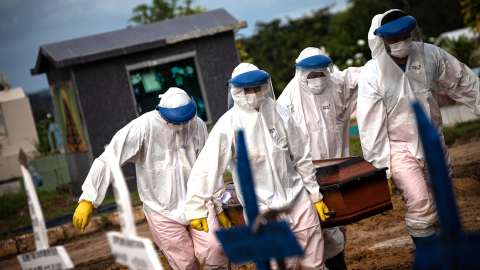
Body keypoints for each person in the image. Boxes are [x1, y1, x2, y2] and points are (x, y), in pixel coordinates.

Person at [184, 63, 331, 270]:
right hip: (262, 208)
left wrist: (314, 195)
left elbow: (301, 157)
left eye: (257, 87)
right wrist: (196, 206)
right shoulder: (228, 124)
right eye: (247, 89)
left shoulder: (280, 113)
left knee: (314, 262)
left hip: (298, 199)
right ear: (236, 91)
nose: (253, 93)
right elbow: (208, 166)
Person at [357, 9, 480, 244]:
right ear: (381, 39)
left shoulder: (431, 55)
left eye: (405, 35)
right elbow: (370, 124)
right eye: (394, 38)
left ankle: (449, 256)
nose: (402, 42)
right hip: (399, 149)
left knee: (443, 204)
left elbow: (465, 82)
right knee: (421, 205)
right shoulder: (372, 73)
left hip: (433, 142)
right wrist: (380, 168)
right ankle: (428, 257)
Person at [72, 87, 231, 270]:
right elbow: (110, 157)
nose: (182, 126)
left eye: (186, 120)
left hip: (198, 201)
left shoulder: (198, 125)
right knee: (184, 262)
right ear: (162, 114)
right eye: (176, 121)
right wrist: (89, 198)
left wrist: (218, 205)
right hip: (161, 209)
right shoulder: (143, 128)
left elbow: (209, 167)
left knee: (214, 248)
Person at [277, 47, 362, 269]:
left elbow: (370, 73)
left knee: (338, 228)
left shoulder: (338, 85)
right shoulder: (287, 101)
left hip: (338, 172)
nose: (317, 78)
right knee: (318, 231)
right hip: (306, 178)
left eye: (321, 72)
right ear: (301, 73)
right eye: (311, 74)